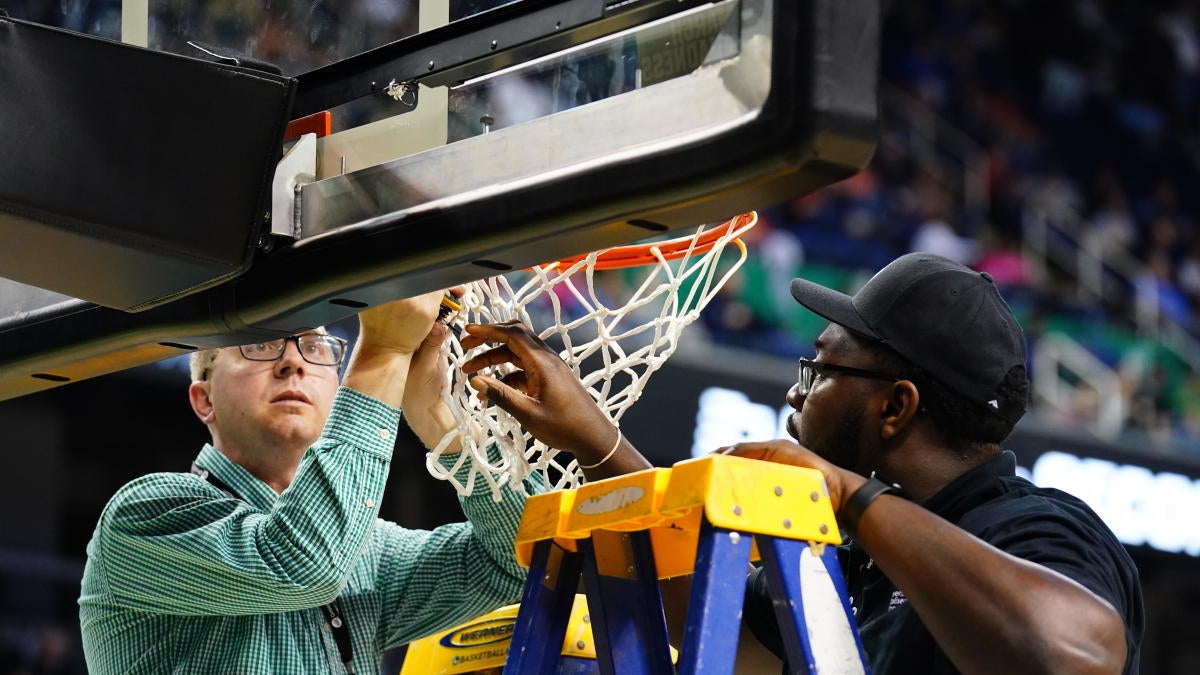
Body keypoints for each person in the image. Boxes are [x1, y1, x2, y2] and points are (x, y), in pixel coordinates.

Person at [458, 252, 1144, 674]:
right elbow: (705, 613)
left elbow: (1072, 656)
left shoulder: (1037, 527)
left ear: (895, 407)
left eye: (819, 367)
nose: (796, 387)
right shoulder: (862, 554)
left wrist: (850, 493)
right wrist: (596, 439)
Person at [79, 291, 537, 673]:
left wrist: (442, 423)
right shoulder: (143, 515)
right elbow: (303, 565)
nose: (293, 363)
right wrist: (382, 353)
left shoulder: (368, 551)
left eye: (315, 347)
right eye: (259, 344)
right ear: (204, 400)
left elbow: (523, 565)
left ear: (337, 388)